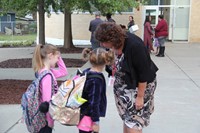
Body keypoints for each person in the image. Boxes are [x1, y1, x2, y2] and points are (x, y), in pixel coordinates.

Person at [95, 23, 158, 133]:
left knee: (134, 122)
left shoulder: (135, 46)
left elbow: (144, 74)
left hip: (139, 88)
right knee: (127, 119)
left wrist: (140, 97)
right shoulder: (115, 45)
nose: (101, 44)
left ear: (112, 38)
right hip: (125, 88)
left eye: (103, 41)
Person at [32, 44, 68, 133]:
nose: (57, 60)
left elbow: (63, 72)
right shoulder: (47, 75)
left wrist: (59, 56)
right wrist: (50, 122)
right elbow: (46, 101)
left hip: (41, 118)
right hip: (45, 121)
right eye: (57, 58)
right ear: (50, 56)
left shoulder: (43, 71)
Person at [79, 48, 115, 133]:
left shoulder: (86, 72)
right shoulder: (96, 80)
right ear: (106, 61)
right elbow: (94, 101)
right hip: (89, 117)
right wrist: (95, 121)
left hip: (83, 113)